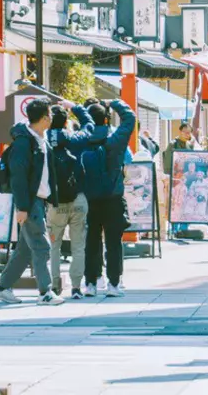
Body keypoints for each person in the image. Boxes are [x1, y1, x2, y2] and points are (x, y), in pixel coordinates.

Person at [0, 97, 57, 305]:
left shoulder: (41, 138)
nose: (52, 117)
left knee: (25, 249)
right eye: (50, 113)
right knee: (41, 245)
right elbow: (18, 177)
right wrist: (22, 207)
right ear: (45, 117)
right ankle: (45, 292)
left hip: (39, 200)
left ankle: (3, 287)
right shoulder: (24, 142)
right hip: (30, 201)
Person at [76, 97, 137, 297]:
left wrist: (77, 109)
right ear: (106, 119)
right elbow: (129, 119)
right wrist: (115, 102)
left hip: (91, 198)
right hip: (113, 197)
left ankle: (91, 283)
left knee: (92, 241)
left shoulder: (82, 141)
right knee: (113, 242)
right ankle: (113, 284)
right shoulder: (115, 141)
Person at [42, 102, 90, 299]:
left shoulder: (41, 142)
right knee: (78, 245)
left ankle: (54, 285)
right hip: (78, 199)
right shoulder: (73, 138)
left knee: (54, 245)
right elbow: (89, 127)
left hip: (55, 203)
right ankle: (77, 287)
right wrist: (77, 109)